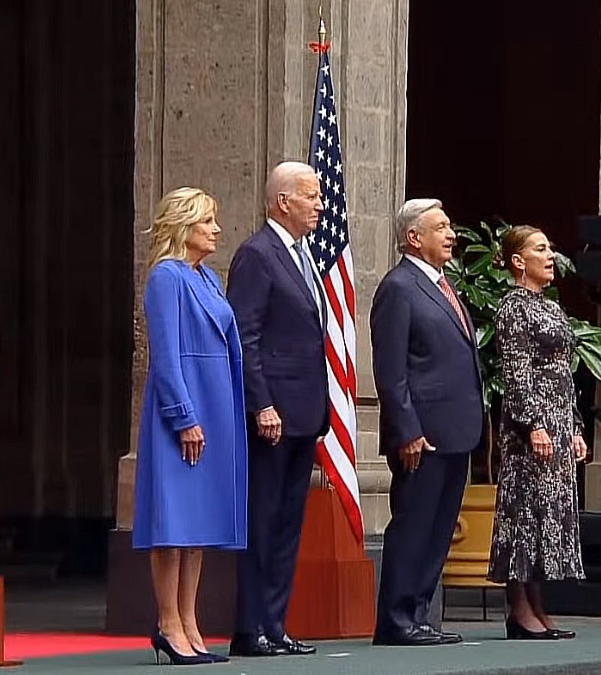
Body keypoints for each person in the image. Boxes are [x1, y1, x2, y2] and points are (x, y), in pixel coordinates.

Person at [132, 187, 248, 666]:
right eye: (207, 223)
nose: (217, 230)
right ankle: (167, 623)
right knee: (173, 525)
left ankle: (190, 622)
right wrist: (183, 417)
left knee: (197, 527)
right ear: (183, 227)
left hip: (215, 409)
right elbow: (166, 355)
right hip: (181, 414)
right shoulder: (166, 278)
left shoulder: (208, 279)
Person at [370, 198, 485, 647]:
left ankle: (418, 614)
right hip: (422, 434)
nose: (451, 234)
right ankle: (396, 619)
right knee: (414, 525)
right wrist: (407, 429)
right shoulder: (399, 287)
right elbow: (391, 369)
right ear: (414, 237)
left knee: (437, 531)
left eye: (450, 225)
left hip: (456, 431)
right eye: (441, 227)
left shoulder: (443, 285)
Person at [226, 161, 327, 658]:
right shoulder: (257, 255)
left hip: (304, 413)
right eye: (311, 196)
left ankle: (275, 624)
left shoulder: (303, 256)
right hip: (272, 417)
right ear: (282, 201)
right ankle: (250, 628)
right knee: (262, 520)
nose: (320, 204)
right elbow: (246, 337)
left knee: (289, 524)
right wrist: (261, 403)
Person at [487, 225, 587, 640]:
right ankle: (518, 608)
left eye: (550, 248)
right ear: (517, 261)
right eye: (540, 249)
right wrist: (534, 426)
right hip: (532, 428)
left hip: (559, 421)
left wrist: (575, 427)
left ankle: (538, 604)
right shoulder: (513, 307)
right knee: (525, 513)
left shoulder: (550, 307)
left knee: (548, 515)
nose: (550, 256)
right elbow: (517, 372)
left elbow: (565, 372)